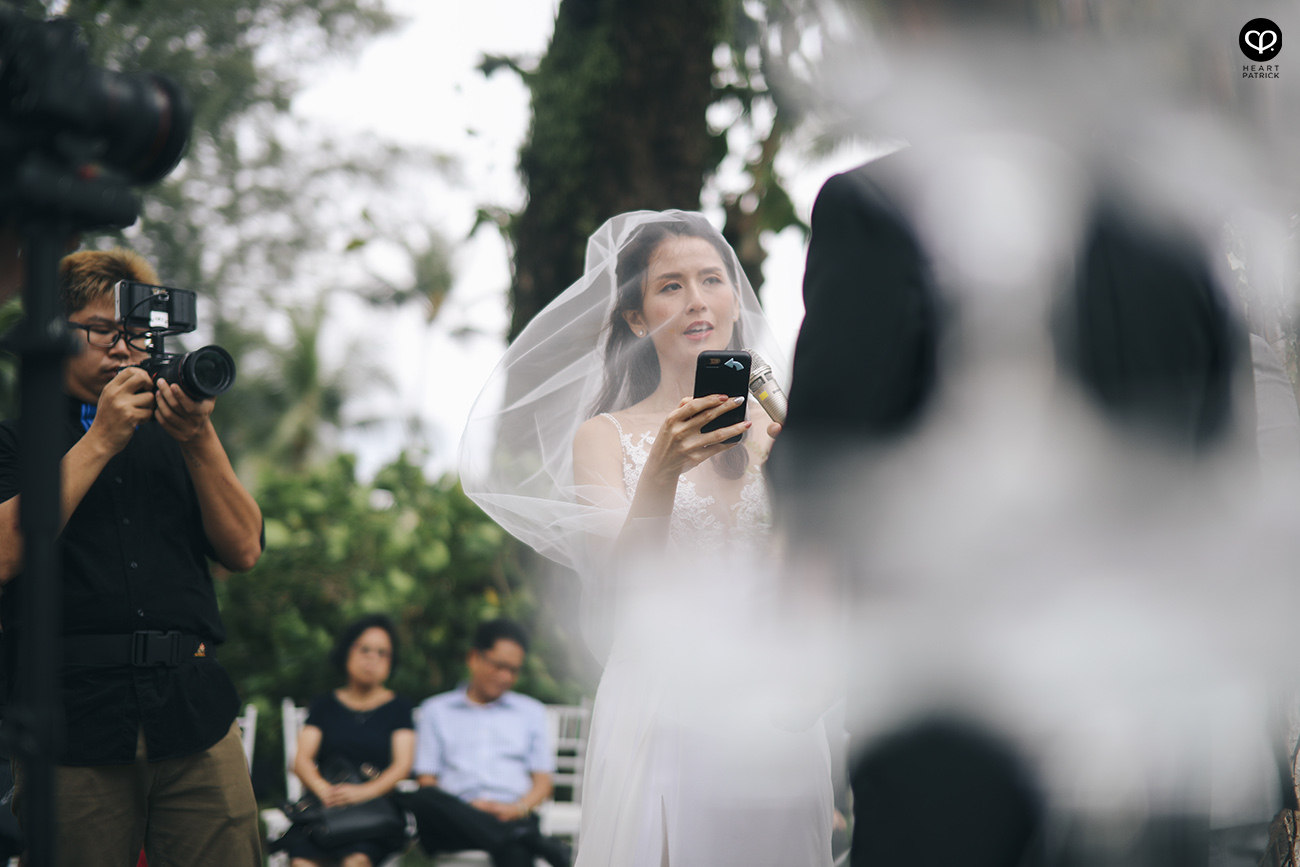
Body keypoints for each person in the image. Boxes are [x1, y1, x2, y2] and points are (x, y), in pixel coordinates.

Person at [459, 210, 834, 867]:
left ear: (734, 299)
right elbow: (620, 582)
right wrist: (660, 469)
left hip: (771, 703)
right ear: (635, 317)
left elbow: (806, 576)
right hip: (665, 701)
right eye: (670, 285)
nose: (697, 300)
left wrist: (787, 493)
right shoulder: (606, 437)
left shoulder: (781, 427)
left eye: (712, 279)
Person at [0, 248, 264, 866]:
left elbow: (244, 547)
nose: (122, 350)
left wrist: (200, 436)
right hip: (73, 719)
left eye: (136, 335)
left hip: (193, 709)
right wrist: (100, 442)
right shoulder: (15, 440)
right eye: (101, 331)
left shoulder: (177, 436)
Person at [401, 619, 569, 867]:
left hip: (513, 814)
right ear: (474, 658)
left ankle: (520, 835)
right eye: (499, 666)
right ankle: (529, 839)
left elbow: (543, 783)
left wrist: (516, 809)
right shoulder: (435, 711)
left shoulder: (530, 712)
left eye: (513, 670)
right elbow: (427, 780)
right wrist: (467, 811)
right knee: (423, 798)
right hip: (455, 821)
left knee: (515, 849)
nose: (505, 676)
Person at [283, 614, 415, 867]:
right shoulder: (324, 705)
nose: (372, 658)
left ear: (391, 662)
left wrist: (363, 793)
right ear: (347, 651)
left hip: (374, 812)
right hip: (327, 808)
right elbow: (301, 760)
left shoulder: (398, 707)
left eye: (382, 653)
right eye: (364, 649)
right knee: (301, 862)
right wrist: (325, 791)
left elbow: (402, 765)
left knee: (356, 860)